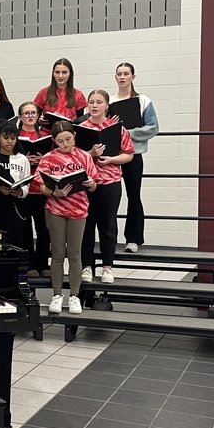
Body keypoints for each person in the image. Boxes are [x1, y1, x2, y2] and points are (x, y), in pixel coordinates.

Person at [38, 121, 97, 316]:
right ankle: (56, 294)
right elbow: (41, 186)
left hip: (79, 210)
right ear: (54, 140)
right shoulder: (48, 158)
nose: (65, 144)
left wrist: (90, 183)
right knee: (57, 253)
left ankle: (74, 295)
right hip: (55, 209)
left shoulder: (85, 156)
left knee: (74, 254)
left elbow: (94, 185)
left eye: (68, 139)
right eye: (60, 141)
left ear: (74, 136)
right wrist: (55, 194)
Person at [79, 89, 135, 285]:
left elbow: (129, 154)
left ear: (106, 106)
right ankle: (87, 266)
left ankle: (107, 268)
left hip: (110, 183)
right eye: (91, 102)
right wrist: (91, 153)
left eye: (99, 102)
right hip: (86, 184)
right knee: (86, 226)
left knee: (107, 226)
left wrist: (110, 159)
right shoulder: (80, 128)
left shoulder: (117, 128)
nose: (94, 106)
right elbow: (74, 156)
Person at [110, 63, 159, 252]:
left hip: (133, 154)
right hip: (113, 155)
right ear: (115, 77)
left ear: (133, 77)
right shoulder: (109, 101)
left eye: (126, 74)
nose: (122, 77)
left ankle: (133, 239)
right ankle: (110, 238)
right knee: (111, 196)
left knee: (134, 195)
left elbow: (153, 127)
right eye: (119, 74)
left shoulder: (142, 100)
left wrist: (127, 133)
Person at [17, 101, 51, 278]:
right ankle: (29, 264)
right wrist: (25, 159)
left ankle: (43, 263)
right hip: (23, 188)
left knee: (43, 228)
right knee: (25, 229)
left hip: (41, 188)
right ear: (20, 116)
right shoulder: (14, 136)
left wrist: (41, 159)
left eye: (33, 113)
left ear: (38, 116)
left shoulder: (46, 135)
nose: (30, 116)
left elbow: (54, 158)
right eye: (26, 113)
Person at [34, 58, 86, 128]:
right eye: (57, 72)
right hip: (47, 134)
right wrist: (38, 121)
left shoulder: (78, 95)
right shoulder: (43, 93)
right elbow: (34, 118)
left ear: (70, 74)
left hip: (68, 134)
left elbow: (80, 122)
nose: (60, 76)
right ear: (53, 73)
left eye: (64, 72)